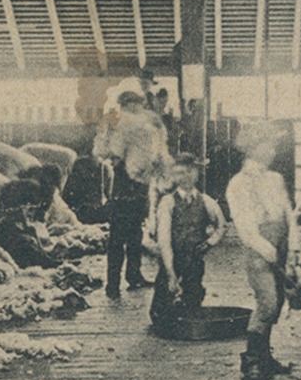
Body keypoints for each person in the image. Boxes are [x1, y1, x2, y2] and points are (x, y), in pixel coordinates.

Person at [226, 130, 301, 379]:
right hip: (259, 249)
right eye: (268, 146)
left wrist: (292, 249)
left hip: (281, 244)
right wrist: (265, 249)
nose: (273, 151)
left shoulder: (275, 178)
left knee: (278, 300)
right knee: (267, 301)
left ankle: (265, 358)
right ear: (253, 148)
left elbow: (289, 214)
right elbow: (244, 225)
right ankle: (251, 361)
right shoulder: (239, 183)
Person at [93, 88, 170, 298]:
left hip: (127, 183)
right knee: (124, 234)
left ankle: (124, 279)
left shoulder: (121, 122)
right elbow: (116, 152)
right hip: (129, 183)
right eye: (137, 103)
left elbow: (104, 152)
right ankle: (119, 282)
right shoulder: (129, 123)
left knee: (128, 233)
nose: (140, 107)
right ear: (130, 104)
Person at [149, 154, 227, 326]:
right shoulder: (168, 202)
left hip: (194, 259)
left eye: (191, 172)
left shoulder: (206, 201)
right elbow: (164, 239)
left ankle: (187, 315)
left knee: (193, 301)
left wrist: (209, 243)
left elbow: (222, 226)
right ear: (175, 176)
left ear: (197, 174)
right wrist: (170, 273)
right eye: (181, 173)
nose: (187, 176)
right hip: (172, 257)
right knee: (160, 309)